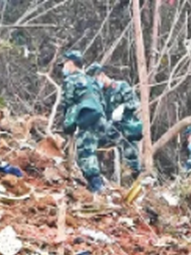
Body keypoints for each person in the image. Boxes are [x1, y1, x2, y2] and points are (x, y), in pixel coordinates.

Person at [59, 50, 107, 193]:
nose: (63, 68)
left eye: (64, 64)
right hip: (100, 117)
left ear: (70, 63)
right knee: (91, 148)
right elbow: (102, 101)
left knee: (86, 152)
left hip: (88, 115)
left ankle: (96, 185)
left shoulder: (71, 80)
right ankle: (95, 183)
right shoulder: (91, 81)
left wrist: (68, 125)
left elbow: (69, 103)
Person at [88, 63, 142, 174]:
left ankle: (135, 179)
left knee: (131, 161)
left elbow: (135, 103)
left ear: (102, 75)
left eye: (95, 80)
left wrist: (123, 108)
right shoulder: (99, 94)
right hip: (108, 132)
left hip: (124, 130)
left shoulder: (121, 86)